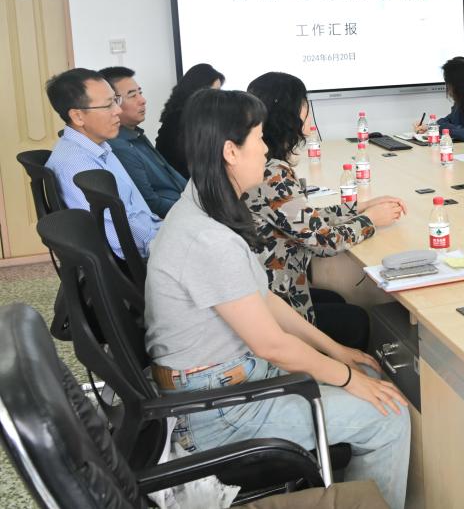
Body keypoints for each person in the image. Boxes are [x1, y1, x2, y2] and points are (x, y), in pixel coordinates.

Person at [145, 89, 410, 509]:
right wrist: (346, 377)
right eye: (258, 138)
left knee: (367, 376)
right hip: (221, 410)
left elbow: (264, 299)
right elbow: (271, 345)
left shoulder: (205, 206)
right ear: (230, 151)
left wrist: (336, 351)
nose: (267, 150)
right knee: (389, 415)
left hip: (231, 381)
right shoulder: (208, 239)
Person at [243, 72, 406, 350]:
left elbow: (303, 218)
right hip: (275, 300)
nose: (308, 110)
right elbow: (324, 242)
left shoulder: (266, 163)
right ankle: (344, 369)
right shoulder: (272, 174)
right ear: (289, 113)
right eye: (303, 103)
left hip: (271, 286)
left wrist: (358, 207)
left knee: (337, 300)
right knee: (356, 320)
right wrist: (370, 220)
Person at [44, 68, 162, 258]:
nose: (118, 110)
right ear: (77, 116)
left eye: (116, 100)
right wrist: (166, 240)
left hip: (153, 235)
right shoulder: (78, 165)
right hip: (144, 254)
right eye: (108, 105)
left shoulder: (97, 146)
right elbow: (120, 238)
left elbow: (133, 210)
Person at [98, 66, 187, 217]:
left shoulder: (135, 134)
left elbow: (172, 178)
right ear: (112, 103)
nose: (142, 100)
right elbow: (150, 203)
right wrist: (196, 211)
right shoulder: (120, 146)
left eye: (140, 93)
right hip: (173, 217)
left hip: (184, 204)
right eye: (132, 95)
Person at [155, 62, 225, 178]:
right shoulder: (178, 120)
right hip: (185, 183)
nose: (218, 97)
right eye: (214, 92)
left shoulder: (185, 115)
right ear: (197, 91)